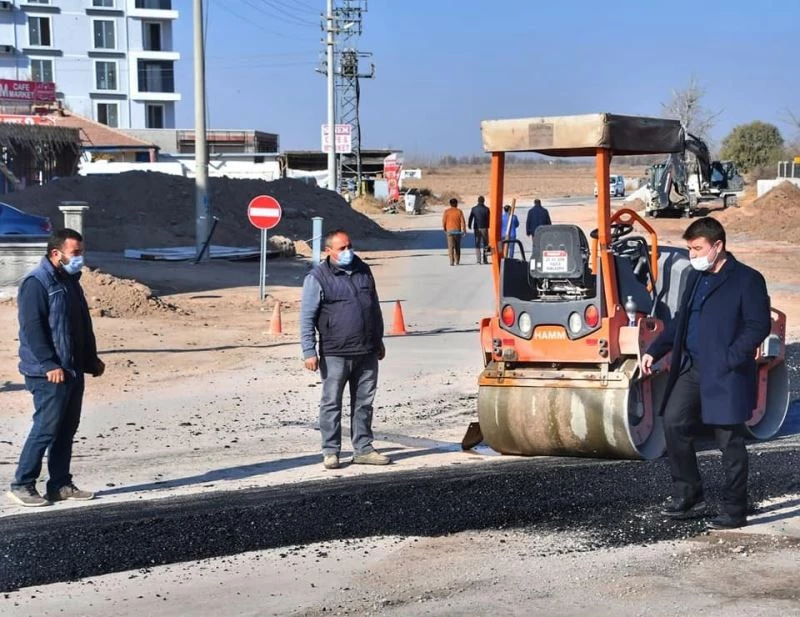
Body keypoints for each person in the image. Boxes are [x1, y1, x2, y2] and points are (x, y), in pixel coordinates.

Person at [640, 217, 771, 530]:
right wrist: (655, 350)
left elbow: (758, 326)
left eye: (697, 248)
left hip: (725, 373)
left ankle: (735, 509)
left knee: (729, 440)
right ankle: (689, 496)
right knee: (673, 423)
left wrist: (730, 358)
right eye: (690, 249)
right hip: (692, 368)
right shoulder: (694, 278)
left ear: (718, 245)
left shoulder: (747, 279)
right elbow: (680, 321)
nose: (692, 255)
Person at [7, 228, 105, 507]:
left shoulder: (70, 281)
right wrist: (49, 363)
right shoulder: (36, 283)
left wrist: (90, 359)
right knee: (46, 429)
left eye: (81, 252)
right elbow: (32, 328)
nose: (80, 258)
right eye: (75, 253)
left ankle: (60, 485)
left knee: (66, 430)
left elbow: (81, 325)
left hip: (72, 369)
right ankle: (22, 484)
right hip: (47, 373)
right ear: (56, 253)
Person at [300, 229, 390, 470]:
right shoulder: (317, 277)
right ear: (328, 251)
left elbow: (373, 307)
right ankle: (331, 451)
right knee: (331, 403)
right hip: (335, 352)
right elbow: (307, 317)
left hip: (366, 351)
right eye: (342, 248)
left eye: (349, 246)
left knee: (364, 403)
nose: (348, 251)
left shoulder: (363, 270)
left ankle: (363, 449)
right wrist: (309, 351)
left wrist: (378, 339)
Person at [442, 197, 467, 266]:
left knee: (450, 247)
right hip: (457, 231)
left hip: (449, 231)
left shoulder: (446, 211)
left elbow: (444, 221)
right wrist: (464, 230)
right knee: (457, 246)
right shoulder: (459, 211)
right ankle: (457, 260)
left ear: (450, 204)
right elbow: (463, 221)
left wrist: (444, 229)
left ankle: (451, 261)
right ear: (456, 204)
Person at [468, 196, 490, 264]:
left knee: (477, 243)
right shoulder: (487, 209)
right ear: (484, 201)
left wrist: (469, 225)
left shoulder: (474, 209)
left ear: (478, 201)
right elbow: (489, 219)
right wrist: (489, 226)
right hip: (484, 228)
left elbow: (470, 218)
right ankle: (485, 260)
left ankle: (478, 260)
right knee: (486, 244)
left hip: (476, 228)